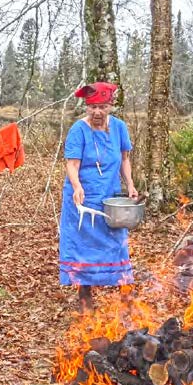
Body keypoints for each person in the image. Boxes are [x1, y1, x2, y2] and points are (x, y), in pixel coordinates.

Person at [59, 82, 138, 312]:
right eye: (92, 107)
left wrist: (130, 185)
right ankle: (85, 297)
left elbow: (124, 159)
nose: (96, 112)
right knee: (84, 247)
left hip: (109, 198)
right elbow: (72, 164)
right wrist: (76, 186)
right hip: (82, 199)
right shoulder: (78, 130)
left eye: (102, 107)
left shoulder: (120, 128)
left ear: (110, 106)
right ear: (86, 107)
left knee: (116, 243)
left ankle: (125, 296)